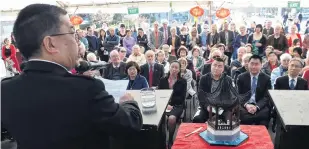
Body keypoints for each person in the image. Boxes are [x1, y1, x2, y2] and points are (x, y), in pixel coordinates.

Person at [1, 4, 143, 149]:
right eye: (72, 33)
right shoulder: (86, 89)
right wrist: (128, 103)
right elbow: (128, 125)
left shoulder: (5, 89)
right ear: (50, 44)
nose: (77, 41)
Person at [237, 55, 271, 127]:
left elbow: (266, 96)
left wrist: (257, 107)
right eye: (252, 64)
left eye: (256, 64)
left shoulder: (267, 79)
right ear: (248, 64)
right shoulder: (241, 77)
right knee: (243, 117)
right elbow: (238, 94)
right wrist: (246, 105)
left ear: (261, 65)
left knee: (263, 119)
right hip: (245, 105)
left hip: (259, 106)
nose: (254, 67)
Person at [158, 61, 187, 149]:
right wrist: (165, 104)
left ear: (179, 70)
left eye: (176, 68)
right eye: (172, 67)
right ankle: (161, 140)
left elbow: (182, 97)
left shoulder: (182, 81)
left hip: (177, 105)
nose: (174, 69)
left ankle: (170, 139)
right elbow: (159, 94)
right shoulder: (163, 79)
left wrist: (171, 105)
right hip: (163, 104)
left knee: (171, 118)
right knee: (162, 118)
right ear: (169, 67)